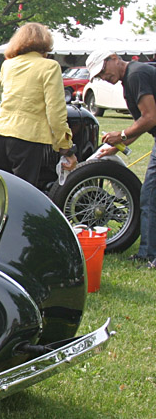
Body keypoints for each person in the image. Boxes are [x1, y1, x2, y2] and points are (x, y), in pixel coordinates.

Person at [0, 22, 75, 189]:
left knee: (3, 193)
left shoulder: (8, 64)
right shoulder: (50, 66)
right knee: (24, 193)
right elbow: (56, 112)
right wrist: (65, 146)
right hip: (27, 136)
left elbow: (0, 80)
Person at [87, 50, 156, 268]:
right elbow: (144, 124)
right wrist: (118, 146)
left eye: (103, 70)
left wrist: (122, 135)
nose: (103, 77)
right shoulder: (130, 79)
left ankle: (149, 255)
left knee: (150, 195)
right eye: (98, 76)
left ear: (114, 58)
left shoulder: (136, 74)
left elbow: (151, 117)